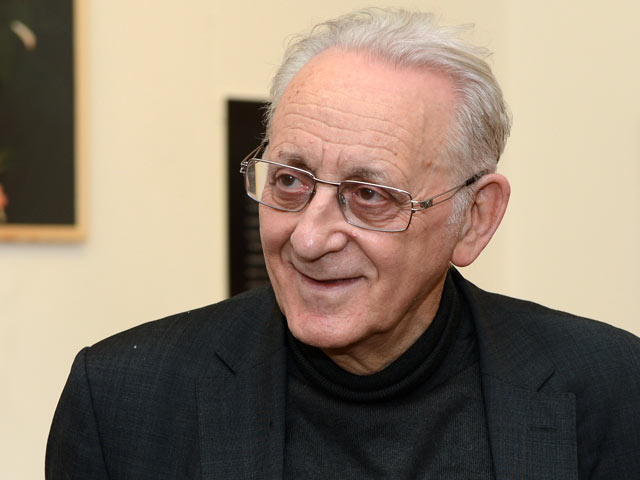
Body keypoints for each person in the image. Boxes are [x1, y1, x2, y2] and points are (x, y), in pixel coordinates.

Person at [46, 8, 640, 479]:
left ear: (474, 219)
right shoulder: (123, 402)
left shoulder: (613, 389)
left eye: (370, 194)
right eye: (289, 181)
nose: (309, 238)